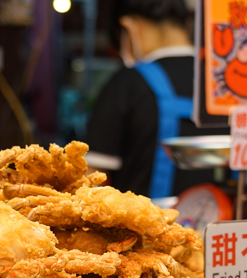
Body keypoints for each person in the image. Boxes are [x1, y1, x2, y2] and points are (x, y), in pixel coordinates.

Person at [85, 0, 219, 199]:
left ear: (128, 27)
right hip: (221, 227)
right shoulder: (222, 84)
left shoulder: (128, 83)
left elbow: (90, 181)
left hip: (142, 229)